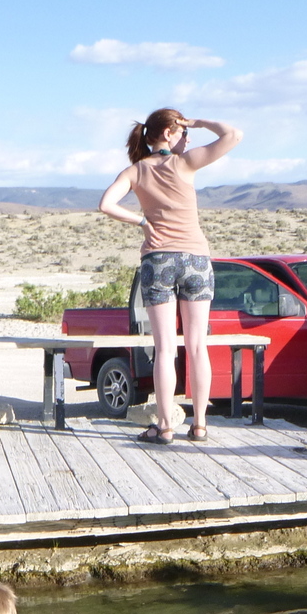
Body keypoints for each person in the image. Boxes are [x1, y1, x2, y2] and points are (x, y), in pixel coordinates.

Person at [99, 109, 242, 444]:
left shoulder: (135, 171)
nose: (187, 137)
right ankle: (200, 425)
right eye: (181, 131)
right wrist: (202, 121)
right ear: (167, 134)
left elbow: (106, 204)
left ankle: (164, 427)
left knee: (165, 349)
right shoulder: (186, 164)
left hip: (158, 260)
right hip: (196, 258)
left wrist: (142, 223)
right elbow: (233, 135)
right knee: (197, 346)